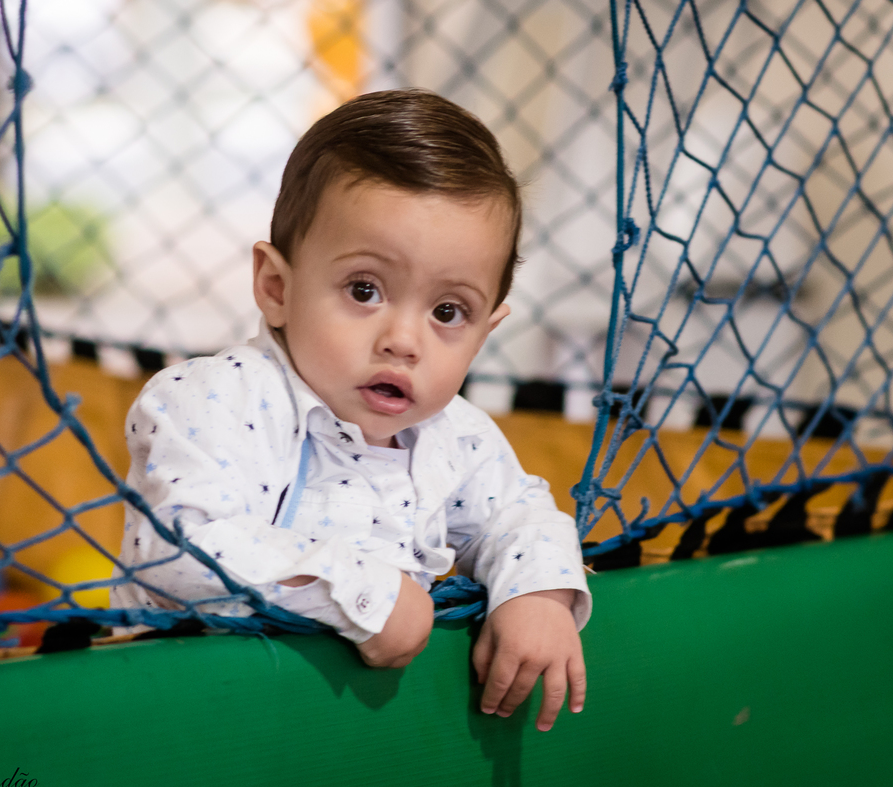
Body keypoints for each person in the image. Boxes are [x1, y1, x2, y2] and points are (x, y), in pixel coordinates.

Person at [112, 89, 591, 731]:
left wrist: (539, 596)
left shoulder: (454, 435)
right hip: (181, 718)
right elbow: (177, 549)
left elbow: (518, 514)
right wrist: (363, 591)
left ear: (485, 332)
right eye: (364, 290)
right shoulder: (216, 397)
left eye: (448, 311)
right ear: (276, 288)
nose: (404, 340)